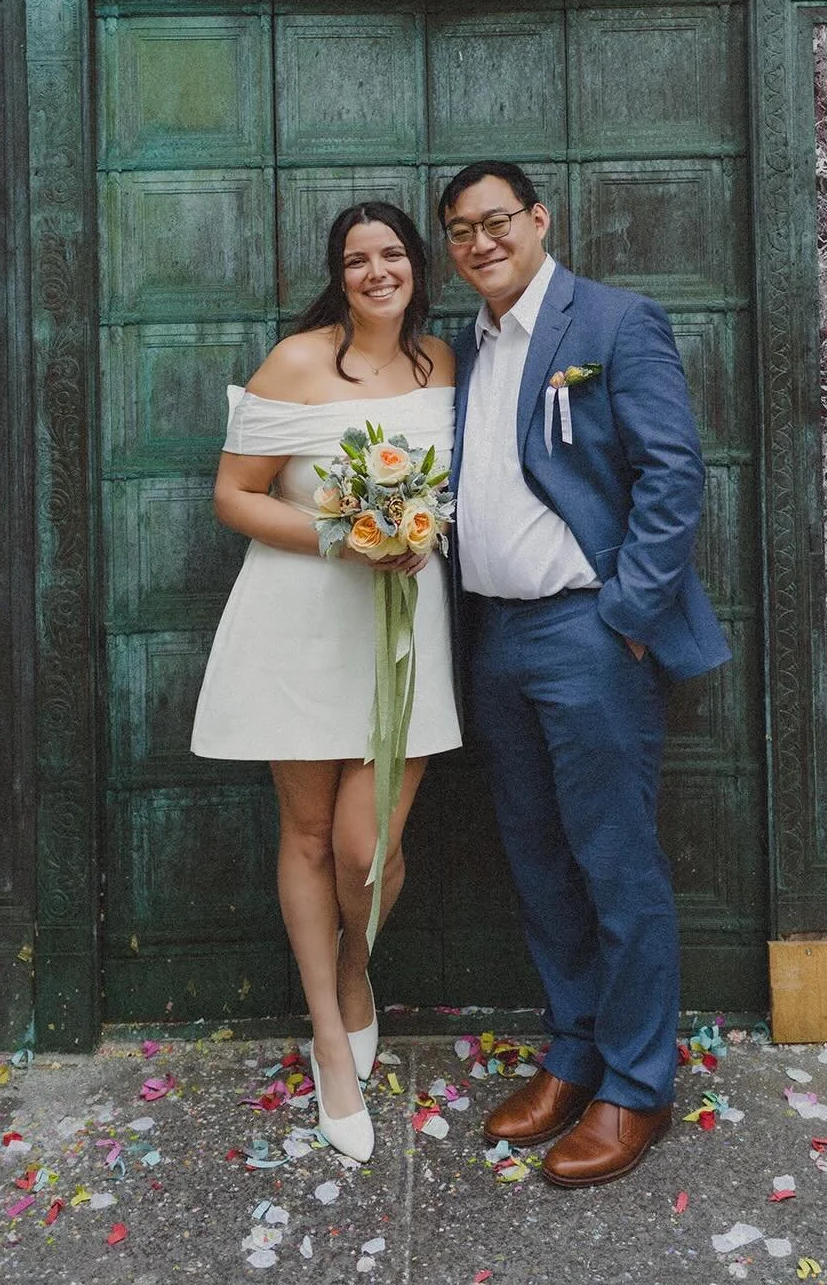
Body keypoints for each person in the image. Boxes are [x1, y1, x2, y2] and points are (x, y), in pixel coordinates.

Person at [441, 161, 730, 1189]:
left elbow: (673, 471)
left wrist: (628, 617)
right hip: (497, 639)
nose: (480, 243)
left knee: (614, 861)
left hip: (588, 634)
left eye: (497, 221)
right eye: (461, 232)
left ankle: (640, 1085)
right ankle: (574, 1055)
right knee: (538, 858)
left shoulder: (611, 323)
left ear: (538, 219)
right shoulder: (467, 350)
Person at [192, 202, 460, 1162]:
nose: (376, 271)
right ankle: (330, 1035)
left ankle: (358, 965)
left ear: (416, 267)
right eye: (357, 259)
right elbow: (233, 495)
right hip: (300, 623)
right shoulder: (299, 362)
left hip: (405, 632)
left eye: (391, 254)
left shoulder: (443, 363)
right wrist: (348, 534)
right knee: (306, 835)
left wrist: (411, 533)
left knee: (365, 848)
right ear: (338, 275)